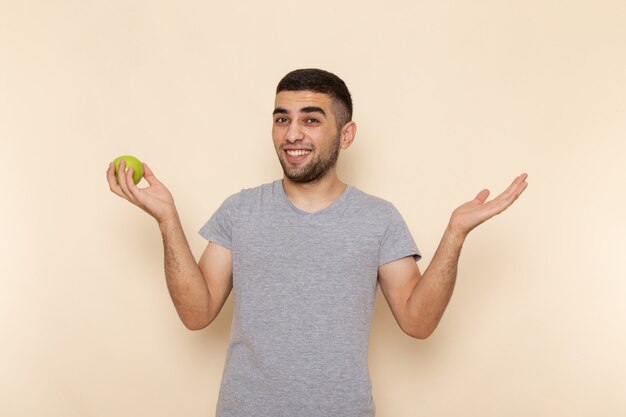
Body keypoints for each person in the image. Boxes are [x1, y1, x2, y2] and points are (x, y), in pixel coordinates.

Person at [107, 68, 528, 417]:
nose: (292, 134)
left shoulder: (378, 218)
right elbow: (197, 314)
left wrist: (454, 234)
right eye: (281, 118)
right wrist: (167, 219)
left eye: (311, 119)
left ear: (345, 135)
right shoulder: (240, 211)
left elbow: (418, 323)